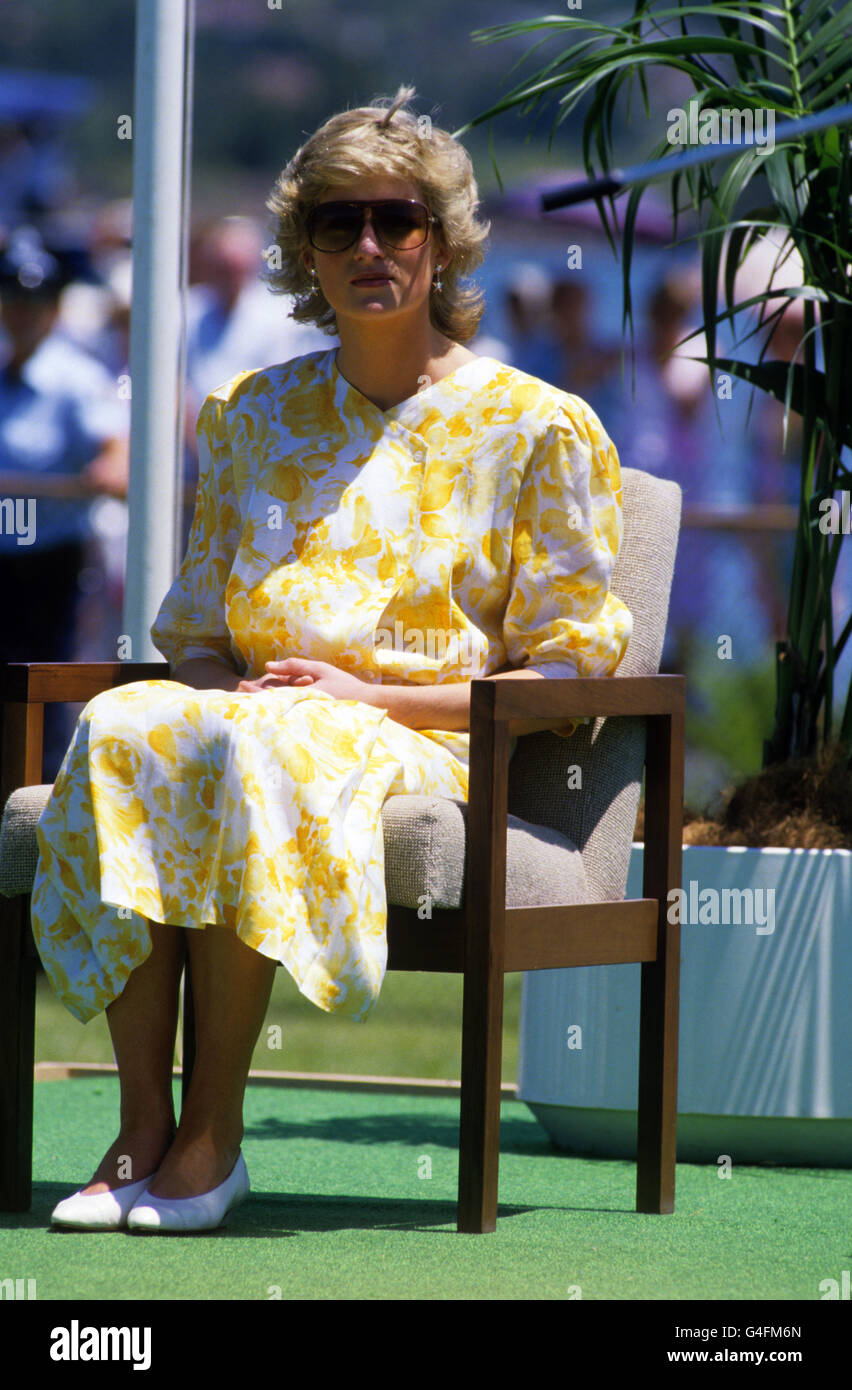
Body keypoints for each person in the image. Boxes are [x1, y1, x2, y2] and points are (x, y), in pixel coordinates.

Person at [31, 86, 632, 1234]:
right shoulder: (251, 414)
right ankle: (140, 1126)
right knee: (126, 726)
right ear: (304, 247)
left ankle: (212, 1137)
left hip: (428, 736)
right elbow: (201, 639)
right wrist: (213, 704)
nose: (369, 245)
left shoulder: (536, 426)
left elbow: (571, 678)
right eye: (338, 221)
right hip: (263, 719)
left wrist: (366, 694)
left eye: (397, 221)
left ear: (444, 240)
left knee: (258, 743)